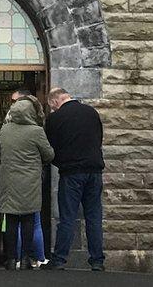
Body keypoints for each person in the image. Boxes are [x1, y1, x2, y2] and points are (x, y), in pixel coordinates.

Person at [44, 88, 105, 271]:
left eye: (51, 107)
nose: (52, 110)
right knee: (94, 216)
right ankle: (97, 260)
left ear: (55, 102)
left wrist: (61, 162)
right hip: (94, 170)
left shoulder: (55, 118)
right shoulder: (91, 112)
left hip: (71, 172)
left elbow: (50, 148)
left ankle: (60, 259)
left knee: (68, 216)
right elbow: (99, 139)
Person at [0, 96, 54, 271]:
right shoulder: (36, 131)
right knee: (28, 219)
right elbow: (49, 155)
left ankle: (11, 259)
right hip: (30, 181)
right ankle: (27, 258)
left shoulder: (4, 131)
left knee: (11, 219)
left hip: (8, 180)